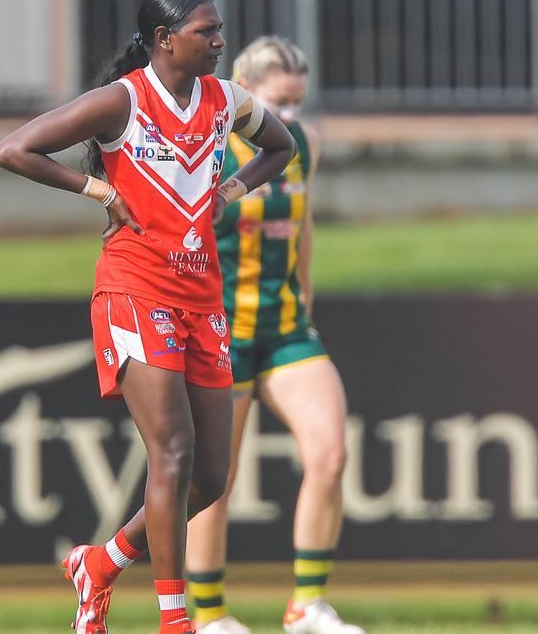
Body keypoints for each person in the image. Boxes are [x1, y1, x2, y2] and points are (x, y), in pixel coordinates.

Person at [0, 0, 294, 634]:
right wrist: (97, 188)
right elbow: (13, 149)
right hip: (134, 289)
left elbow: (282, 146)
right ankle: (175, 622)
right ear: (164, 40)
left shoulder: (225, 101)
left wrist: (233, 188)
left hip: (201, 298)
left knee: (211, 478)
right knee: (174, 452)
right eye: (206, 31)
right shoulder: (123, 100)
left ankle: (100, 564)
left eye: (220, 30)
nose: (220, 42)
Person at [184, 36, 364, 634]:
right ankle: (209, 617)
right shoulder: (209, 144)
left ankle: (305, 607)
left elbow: (304, 229)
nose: (288, 117)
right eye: (279, 103)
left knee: (330, 453)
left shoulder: (304, 145)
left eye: (297, 103)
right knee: (216, 480)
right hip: (220, 333)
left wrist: (305, 306)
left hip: (285, 328)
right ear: (245, 92)